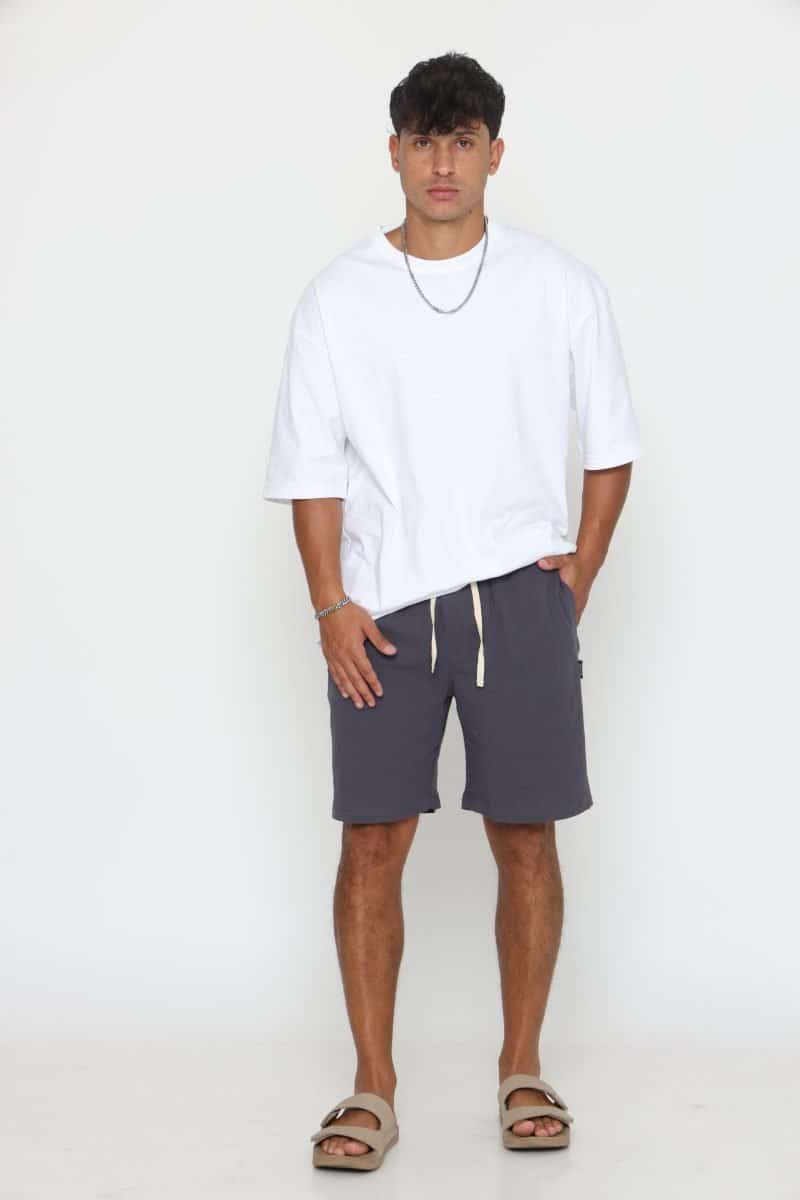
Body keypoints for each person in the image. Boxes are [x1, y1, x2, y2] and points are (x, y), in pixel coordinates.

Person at [262, 51, 643, 1170]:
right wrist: (329, 604)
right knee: (371, 839)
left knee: (524, 837)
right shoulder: (338, 298)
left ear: (494, 153)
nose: (442, 162)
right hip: (380, 611)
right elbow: (311, 468)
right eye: (423, 140)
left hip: (519, 599)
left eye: (462, 140)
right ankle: (371, 1086)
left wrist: (575, 580)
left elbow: (611, 446)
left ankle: (522, 1064)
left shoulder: (557, 286)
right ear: (393, 152)